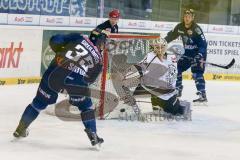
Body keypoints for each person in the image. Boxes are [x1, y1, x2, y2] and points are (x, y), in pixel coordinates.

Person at [13, 32, 107, 146]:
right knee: (86, 107)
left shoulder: (80, 37)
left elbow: (55, 39)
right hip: (76, 81)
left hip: (55, 72)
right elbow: (90, 80)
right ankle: (93, 133)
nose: (103, 46)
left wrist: (60, 53)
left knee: (38, 103)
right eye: (103, 44)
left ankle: (20, 129)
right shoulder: (99, 59)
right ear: (100, 42)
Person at [111, 38, 191, 119]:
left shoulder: (172, 57)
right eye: (157, 47)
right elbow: (138, 67)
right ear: (154, 48)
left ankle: (178, 105)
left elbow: (179, 66)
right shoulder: (150, 56)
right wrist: (125, 75)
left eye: (162, 47)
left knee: (178, 112)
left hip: (168, 94)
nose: (159, 50)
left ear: (166, 47)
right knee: (176, 112)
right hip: (158, 92)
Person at [164, 8, 208, 103]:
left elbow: (203, 44)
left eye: (189, 17)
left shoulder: (196, 29)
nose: (187, 18)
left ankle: (202, 94)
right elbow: (170, 36)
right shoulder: (180, 27)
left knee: (197, 73)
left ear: (193, 18)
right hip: (187, 53)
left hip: (198, 54)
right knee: (177, 68)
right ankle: (178, 90)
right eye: (185, 16)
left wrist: (200, 54)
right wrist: (162, 42)